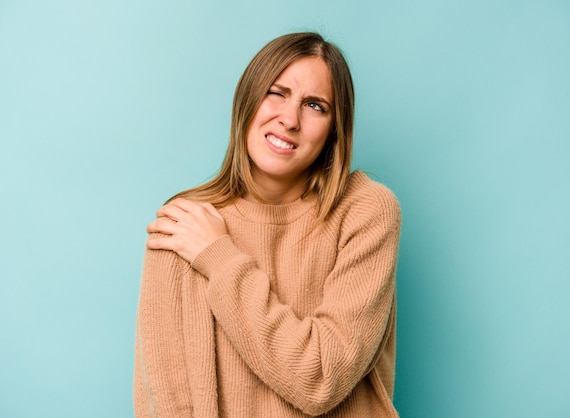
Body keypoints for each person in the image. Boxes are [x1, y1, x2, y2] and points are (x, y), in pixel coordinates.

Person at [133, 32, 402, 417]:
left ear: (334, 130)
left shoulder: (366, 211)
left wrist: (220, 259)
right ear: (247, 100)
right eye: (276, 92)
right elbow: (167, 401)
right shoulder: (186, 223)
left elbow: (321, 380)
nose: (289, 120)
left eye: (315, 105)